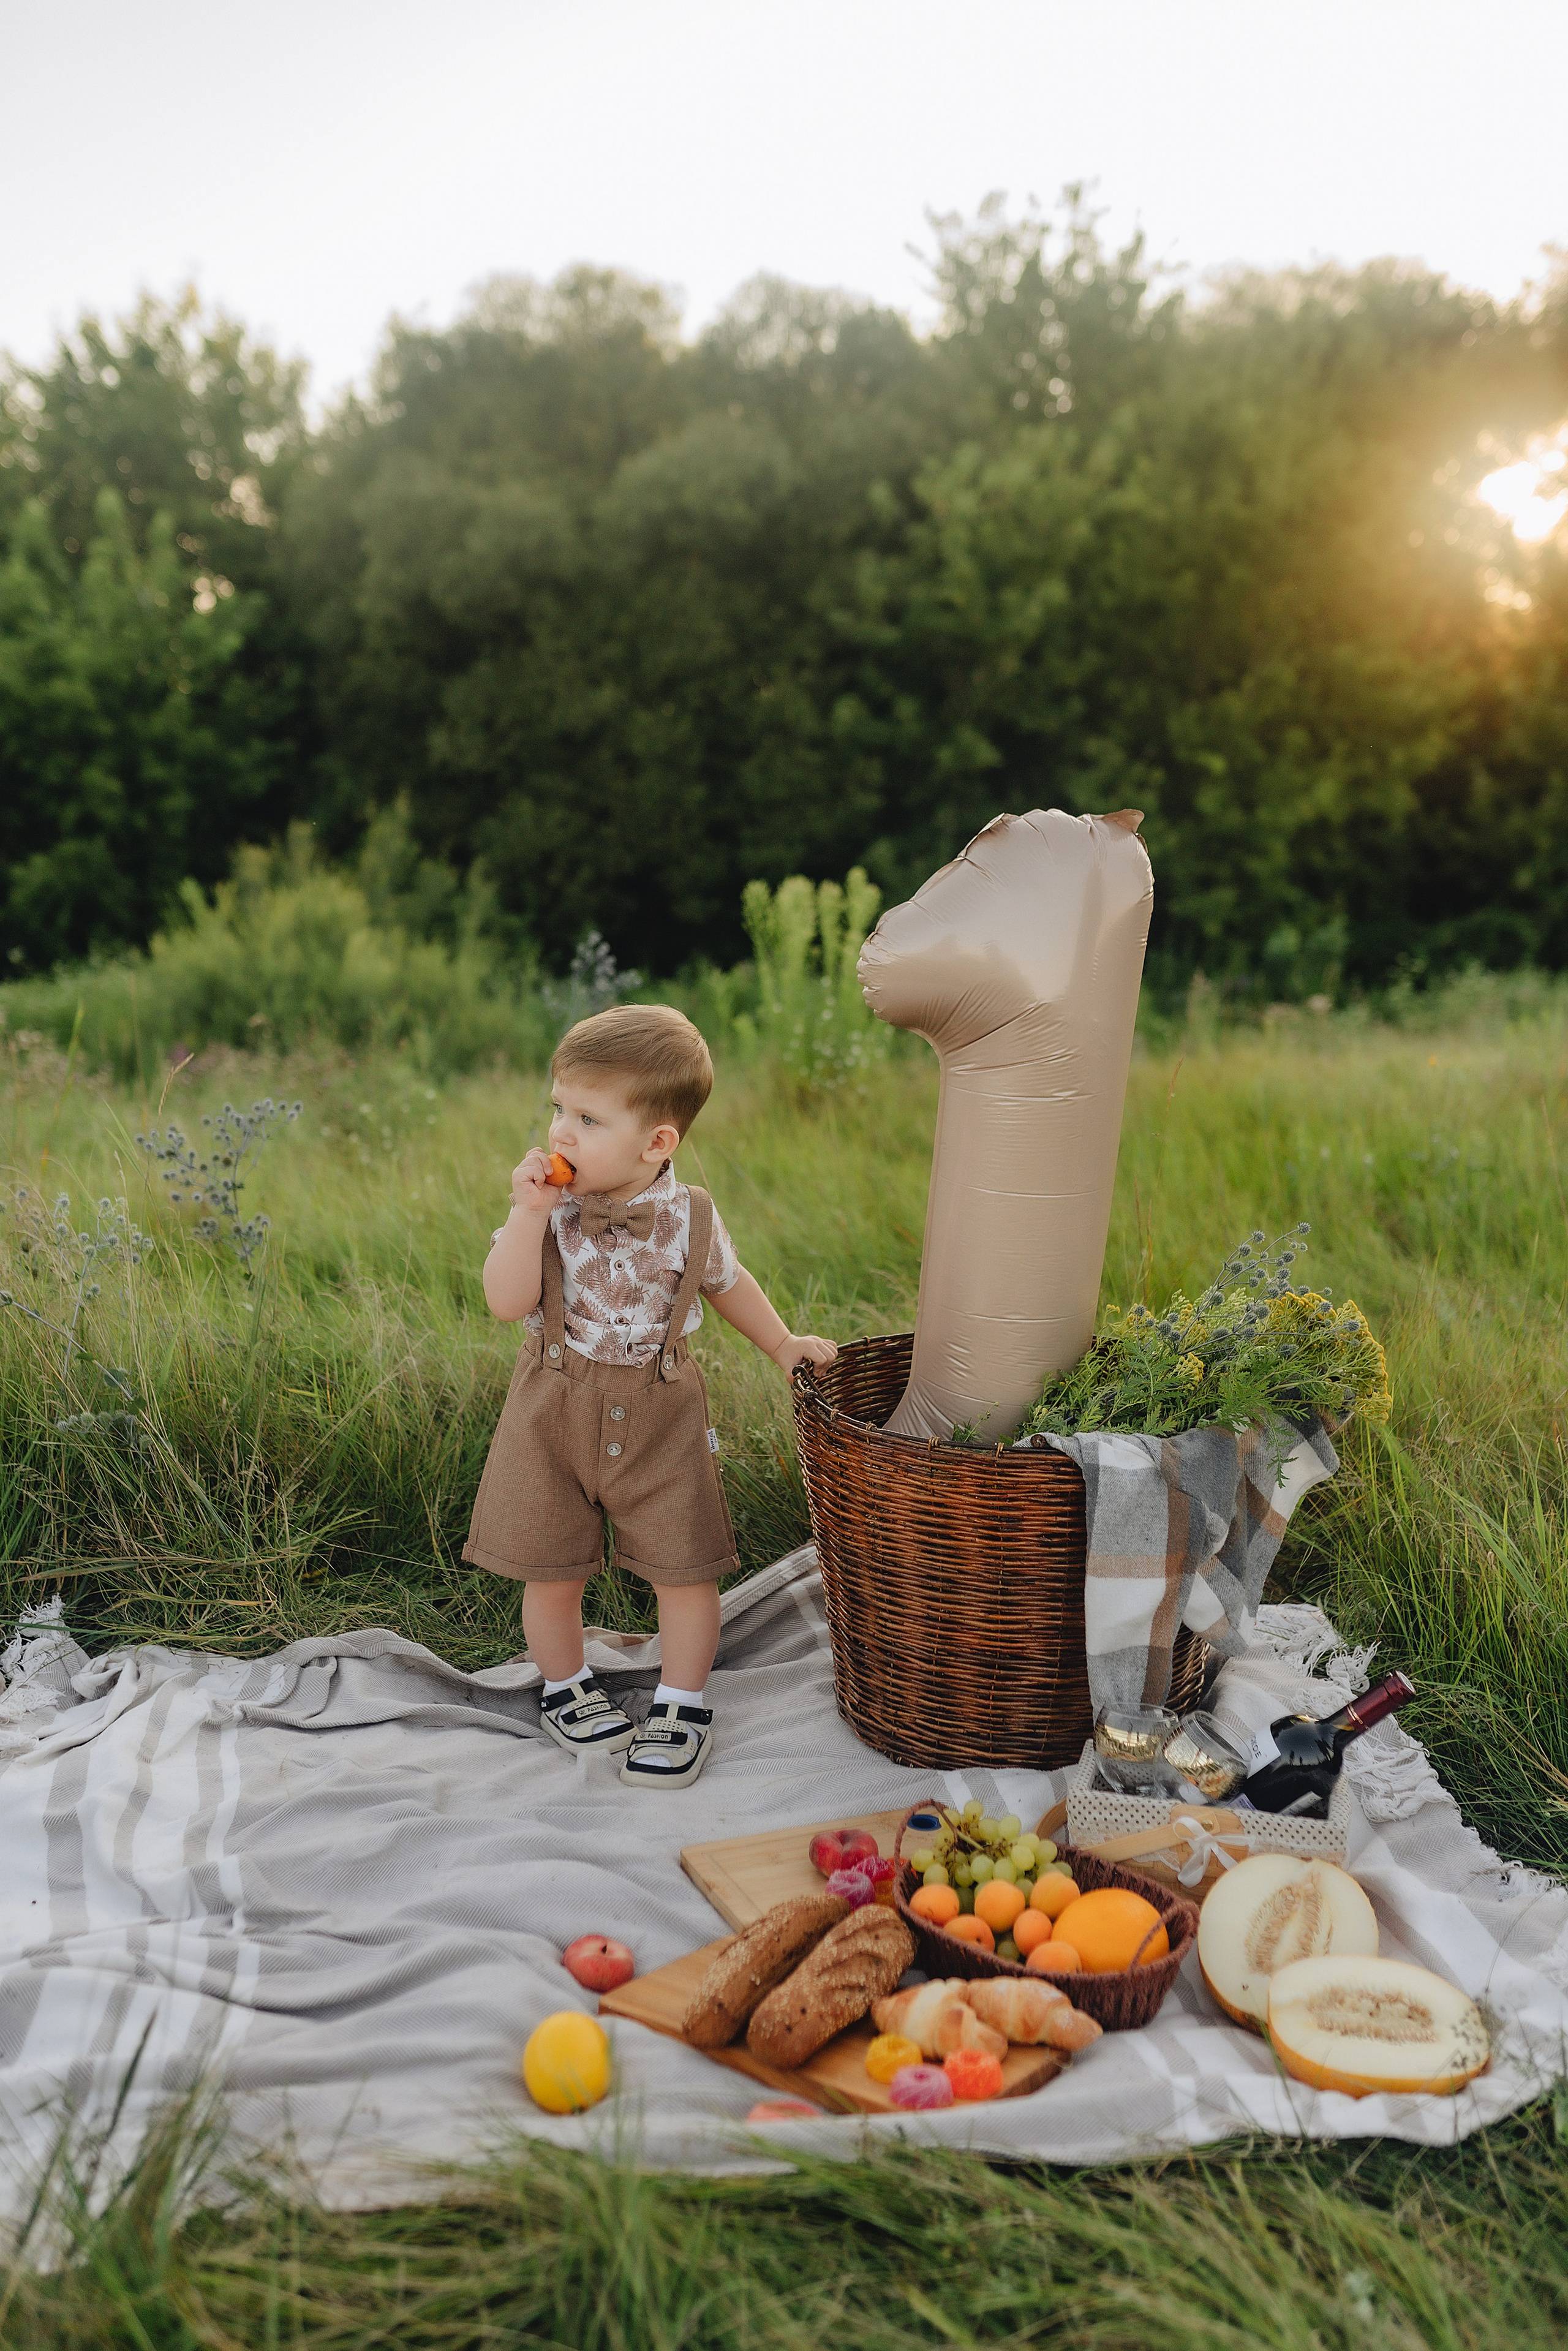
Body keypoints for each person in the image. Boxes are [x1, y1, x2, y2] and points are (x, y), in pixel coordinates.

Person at [465, 1003, 837, 1789]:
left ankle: (680, 1701)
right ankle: (566, 1687)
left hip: (663, 1411)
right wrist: (526, 1216)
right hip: (553, 1408)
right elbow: (505, 1301)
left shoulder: (691, 1214)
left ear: (657, 1142)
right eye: (558, 1108)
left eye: (588, 1118)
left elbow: (726, 1282)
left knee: (685, 1565)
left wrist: (781, 1344)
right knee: (551, 1565)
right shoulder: (548, 1211)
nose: (561, 1132)